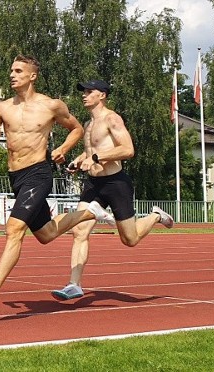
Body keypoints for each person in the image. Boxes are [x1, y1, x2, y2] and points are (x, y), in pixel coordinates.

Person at [0, 55, 115, 308]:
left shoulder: (51, 105)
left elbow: (76, 128)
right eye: (11, 70)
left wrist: (63, 148)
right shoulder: (2, 108)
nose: (12, 74)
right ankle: (91, 212)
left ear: (32, 76)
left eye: (19, 70)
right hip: (15, 176)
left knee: (14, 230)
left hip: (38, 173)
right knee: (46, 234)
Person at [50, 79, 174, 301]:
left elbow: (127, 150)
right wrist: (79, 161)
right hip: (93, 184)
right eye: (84, 92)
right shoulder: (88, 125)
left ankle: (156, 215)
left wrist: (96, 158)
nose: (84, 95)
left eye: (89, 92)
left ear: (102, 95)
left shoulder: (112, 119)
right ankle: (74, 284)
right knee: (79, 231)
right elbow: (92, 153)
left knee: (130, 239)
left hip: (116, 183)